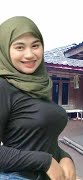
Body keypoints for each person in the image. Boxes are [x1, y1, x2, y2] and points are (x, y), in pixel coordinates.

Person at [0, 16, 75, 179]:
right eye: (19, 47)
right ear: (4, 49)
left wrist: (64, 157)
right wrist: (45, 162)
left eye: (35, 45)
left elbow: (39, 139)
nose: (29, 54)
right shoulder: (3, 86)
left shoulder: (38, 85)